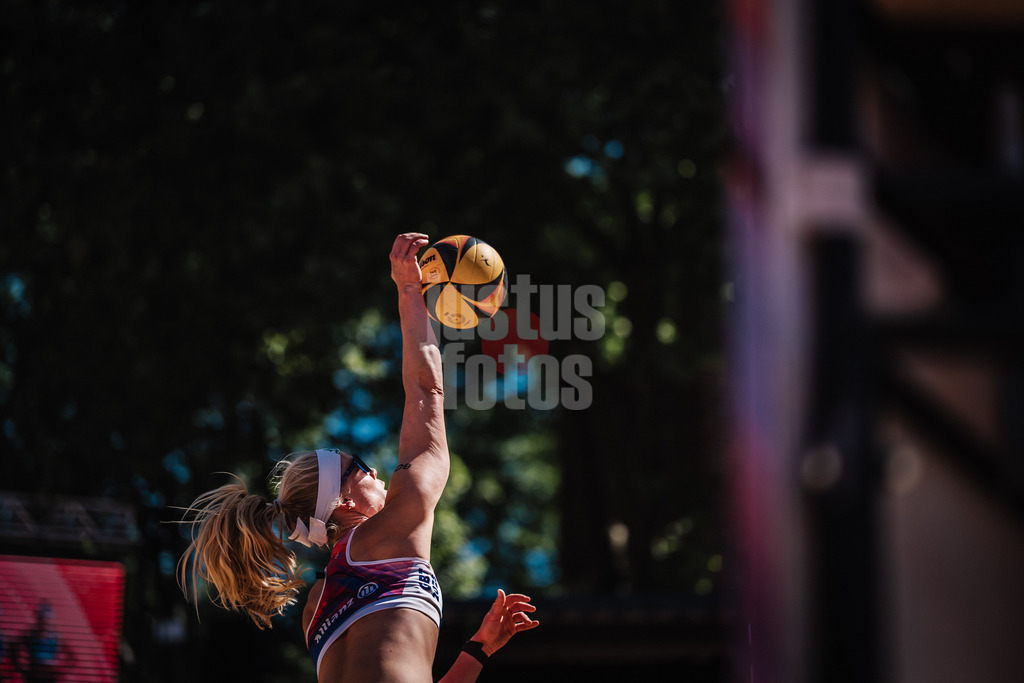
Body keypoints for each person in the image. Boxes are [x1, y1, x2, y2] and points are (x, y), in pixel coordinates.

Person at [179, 233, 539, 682]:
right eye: (360, 468)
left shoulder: (317, 610)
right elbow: (425, 392)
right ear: (344, 504)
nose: (375, 469)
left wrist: (479, 650)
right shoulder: (394, 526)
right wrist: (409, 290)